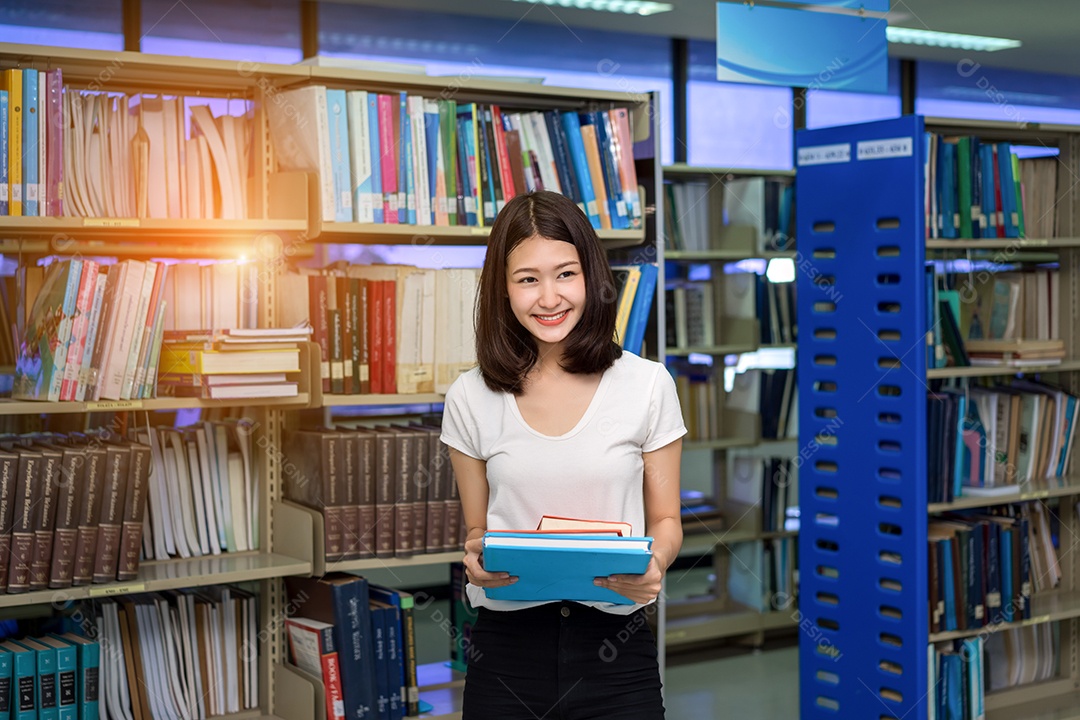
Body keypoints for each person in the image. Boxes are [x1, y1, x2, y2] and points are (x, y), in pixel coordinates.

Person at [440, 190, 686, 720]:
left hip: (617, 651)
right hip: (506, 653)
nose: (549, 297)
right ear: (503, 290)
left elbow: (666, 519)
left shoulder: (646, 384)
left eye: (565, 274)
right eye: (527, 278)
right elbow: (478, 534)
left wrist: (656, 564)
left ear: (591, 277)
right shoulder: (469, 396)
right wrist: (476, 563)